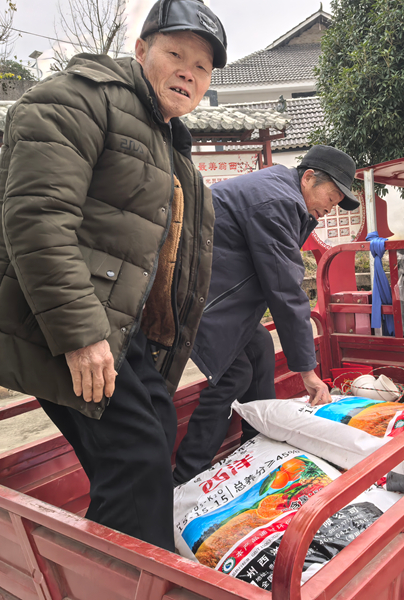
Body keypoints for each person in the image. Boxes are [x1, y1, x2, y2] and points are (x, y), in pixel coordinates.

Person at [0, 0, 228, 550]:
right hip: (62, 322)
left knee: (149, 439)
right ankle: (127, 579)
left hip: (116, 328)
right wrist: (81, 337)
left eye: (201, 68)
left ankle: (138, 568)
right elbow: (37, 218)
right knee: (134, 457)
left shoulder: (165, 140)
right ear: (140, 50)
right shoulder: (78, 98)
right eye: (175, 54)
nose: (187, 73)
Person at [172, 145, 361, 484]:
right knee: (234, 373)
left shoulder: (281, 189)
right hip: (193, 294)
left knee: (259, 347)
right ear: (308, 178)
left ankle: (256, 445)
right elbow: (285, 291)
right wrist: (307, 371)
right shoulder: (278, 202)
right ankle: (188, 475)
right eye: (331, 198)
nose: (330, 209)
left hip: (213, 291)